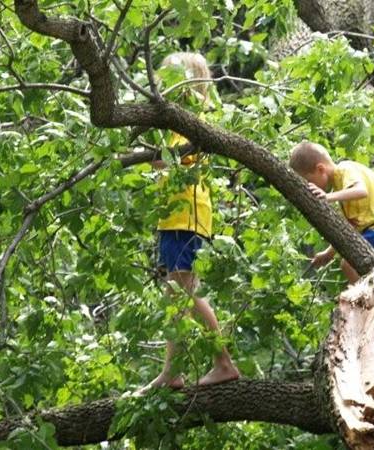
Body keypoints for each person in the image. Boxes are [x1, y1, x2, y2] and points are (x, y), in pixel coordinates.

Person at [141, 52, 239, 392]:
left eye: (168, 78)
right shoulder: (177, 123)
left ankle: (223, 362)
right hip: (174, 215)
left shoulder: (190, 120)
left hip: (185, 214)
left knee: (185, 292)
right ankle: (172, 373)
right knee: (176, 296)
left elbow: (175, 166)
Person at [289, 141, 374, 284]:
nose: (309, 187)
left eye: (309, 181)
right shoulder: (341, 192)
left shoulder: (345, 169)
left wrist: (327, 197)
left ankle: (368, 301)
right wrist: (328, 253)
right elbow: (351, 229)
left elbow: (361, 191)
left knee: (349, 264)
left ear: (320, 169)